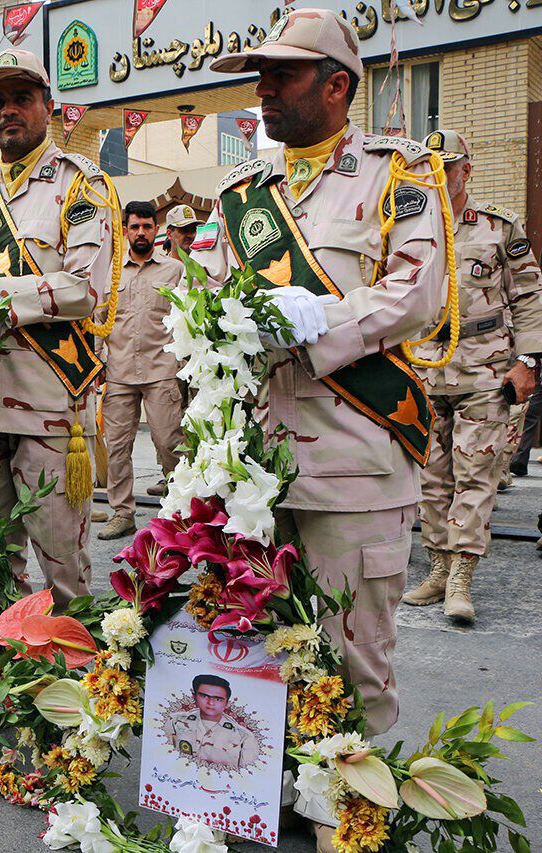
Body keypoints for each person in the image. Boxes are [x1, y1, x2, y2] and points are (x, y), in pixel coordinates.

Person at [195, 9, 452, 743]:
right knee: (267, 643)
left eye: (284, 74)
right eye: (261, 77)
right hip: (258, 464)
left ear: (337, 85)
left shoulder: (398, 175)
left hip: (355, 462)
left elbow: (417, 291)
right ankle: (270, 788)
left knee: (353, 656)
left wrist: (320, 322)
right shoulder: (242, 194)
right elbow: (204, 295)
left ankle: (352, 809)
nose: (264, 91)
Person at [0, 48, 119, 606]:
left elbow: (85, 288)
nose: (7, 112)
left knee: (61, 560)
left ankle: (71, 674)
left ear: (48, 106)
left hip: (49, 406)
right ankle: (6, 667)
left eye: (20, 98)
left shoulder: (80, 184)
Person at [406, 129, 542, 623]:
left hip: (485, 363)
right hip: (423, 365)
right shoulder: (409, 229)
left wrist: (528, 360)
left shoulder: (498, 228)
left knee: (476, 471)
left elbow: (528, 295)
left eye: (449, 167)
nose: (440, 178)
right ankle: (437, 568)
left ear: (467, 169)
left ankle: (462, 576)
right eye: (431, 170)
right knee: (430, 476)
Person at [98, 201, 186, 540]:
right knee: (118, 445)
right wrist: (96, 364)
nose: (141, 233)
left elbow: (187, 319)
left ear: (156, 229)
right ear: (125, 230)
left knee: (169, 443)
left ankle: (178, 511)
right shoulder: (110, 272)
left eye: (147, 227)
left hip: (162, 369)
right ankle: (123, 513)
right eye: (134, 227)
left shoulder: (173, 271)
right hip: (118, 371)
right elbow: (99, 319)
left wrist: (184, 365)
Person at [166, 675, 258, 769]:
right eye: (204, 696)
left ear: (226, 703)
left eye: (218, 699)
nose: (211, 703)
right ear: (194, 696)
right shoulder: (175, 721)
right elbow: (164, 756)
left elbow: (247, 773)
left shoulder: (244, 737)